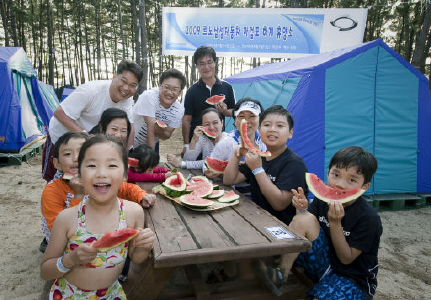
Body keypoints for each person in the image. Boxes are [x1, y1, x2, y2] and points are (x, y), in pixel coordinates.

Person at [40, 135, 155, 299]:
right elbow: (45, 271)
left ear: (124, 174)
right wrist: (70, 259)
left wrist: (143, 247)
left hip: (111, 294)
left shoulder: (134, 212)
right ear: (79, 174)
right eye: (92, 165)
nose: (101, 173)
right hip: (68, 295)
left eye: (112, 165)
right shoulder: (67, 218)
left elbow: (135, 258)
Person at [282, 146, 382, 299]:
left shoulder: (368, 219)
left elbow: (346, 259)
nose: (340, 184)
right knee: (303, 218)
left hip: (352, 277)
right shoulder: (322, 201)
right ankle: (280, 274)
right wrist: (301, 209)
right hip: (324, 264)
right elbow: (307, 229)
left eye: (352, 180)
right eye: (335, 174)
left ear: (364, 187)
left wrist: (335, 223)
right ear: (328, 173)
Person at [40, 132, 156, 251]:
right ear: (57, 164)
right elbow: (58, 231)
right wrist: (78, 195)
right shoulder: (51, 191)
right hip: (68, 248)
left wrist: (142, 196)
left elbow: (125, 188)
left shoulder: (94, 181)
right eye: (68, 154)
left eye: (81, 153)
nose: (75, 158)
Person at [42, 59, 143, 182]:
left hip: (85, 144)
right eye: (123, 81)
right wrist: (87, 136)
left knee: (81, 180)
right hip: (60, 138)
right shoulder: (90, 90)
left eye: (132, 85)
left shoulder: (127, 97)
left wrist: (128, 151)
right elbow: (59, 113)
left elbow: (130, 125)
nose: (126, 88)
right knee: (55, 181)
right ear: (114, 76)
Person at [224, 105, 308, 224]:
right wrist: (236, 155)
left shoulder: (294, 163)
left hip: (283, 227)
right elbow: (229, 180)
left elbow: (279, 204)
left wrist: (258, 170)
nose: (272, 129)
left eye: (280, 125)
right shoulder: (259, 157)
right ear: (259, 130)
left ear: (290, 133)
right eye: (267, 125)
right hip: (257, 220)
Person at [205, 98, 267, 198]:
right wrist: (208, 171)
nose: (246, 121)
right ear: (235, 119)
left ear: (260, 119)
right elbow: (208, 164)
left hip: (261, 193)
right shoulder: (227, 142)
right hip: (236, 195)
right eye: (241, 116)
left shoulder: (265, 140)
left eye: (252, 116)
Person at [181, 46, 235, 155]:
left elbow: (234, 112)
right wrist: (186, 145)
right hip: (197, 141)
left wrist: (225, 111)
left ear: (215, 63)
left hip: (218, 140)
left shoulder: (227, 87)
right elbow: (186, 119)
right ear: (197, 66)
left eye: (209, 62)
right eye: (201, 63)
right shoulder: (192, 91)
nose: (206, 67)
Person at [133, 68, 186, 151]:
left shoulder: (179, 110)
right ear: (160, 86)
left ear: (180, 92)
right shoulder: (149, 96)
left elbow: (167, 134)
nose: (170, 92)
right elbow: (151, 128)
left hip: (152, 142)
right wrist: (150, 158)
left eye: (175, 89)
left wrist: (160, 131)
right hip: (130, 142)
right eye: (167, 87)